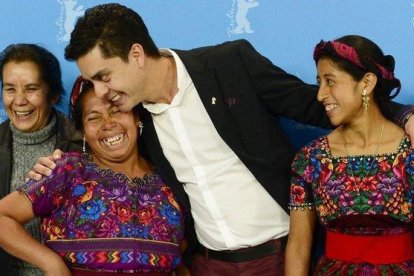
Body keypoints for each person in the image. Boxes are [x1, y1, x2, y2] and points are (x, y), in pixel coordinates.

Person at [28, 3, 414, 275]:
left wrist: (402, 114)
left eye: (105, 76)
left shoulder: (230, 64)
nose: (101, 91)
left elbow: (317, 107)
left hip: (279, 259)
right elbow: (102, 143)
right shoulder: (134, 116)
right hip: (206, 265)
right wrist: (57, 161)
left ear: (136, 54)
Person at [0, 77, 186, 275]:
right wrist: (52, 264)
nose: (108, 123)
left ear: (137, 117)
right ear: (84, 133)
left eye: (117, 111)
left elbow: (183, 249)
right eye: (94, 117)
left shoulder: (169, 176)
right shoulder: (68, 170)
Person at [285, 35, 414, 275]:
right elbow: (298, 246)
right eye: (319, 82)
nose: (320, 94)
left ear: (366, 83)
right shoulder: (311, 158)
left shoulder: (409, 153)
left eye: (330, 81)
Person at [0, 43, 82, 275]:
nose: (19, 101)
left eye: (31, 88)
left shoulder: (82, 145)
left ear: (53, 93)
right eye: (9, 89)